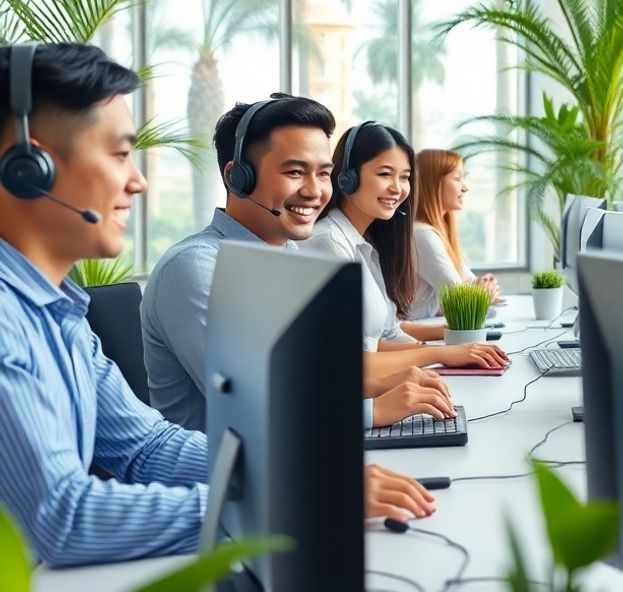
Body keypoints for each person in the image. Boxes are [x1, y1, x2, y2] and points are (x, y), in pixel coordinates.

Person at [0, 45, 434, 567]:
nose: (137, 181)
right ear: (28, 167)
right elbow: (62, 520)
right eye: (118, 154)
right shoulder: (9, 319)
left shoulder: (58, 313)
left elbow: (145, 447)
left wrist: (303, 480)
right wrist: (287, 503)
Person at [143, 95, 459, 432]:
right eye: (295, 171)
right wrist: (372, 410)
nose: (315, 191)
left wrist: (393, 381)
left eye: (323, 174)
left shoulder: (291, 256)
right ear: (239, 178)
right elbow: (251, 402)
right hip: (230, 477)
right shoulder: (196, 268)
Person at [302, 122, 510, 361]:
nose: (397, 188)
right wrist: (441, 354)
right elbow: (349, 358)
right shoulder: (329, 244)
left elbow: (388, 334)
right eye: (385, 174)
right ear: (348, 177)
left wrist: (449, 352)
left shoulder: (366, 247)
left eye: (405, 177)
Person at [410, 148, 501, 320]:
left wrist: (485, 285)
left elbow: (469, 284)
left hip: (426, 326)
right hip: (416, 333)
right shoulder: (422, 235)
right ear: (434, 183)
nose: (465, 187)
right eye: (458, 179)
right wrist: (482, 294)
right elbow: (461, 298)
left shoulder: (435, 232)